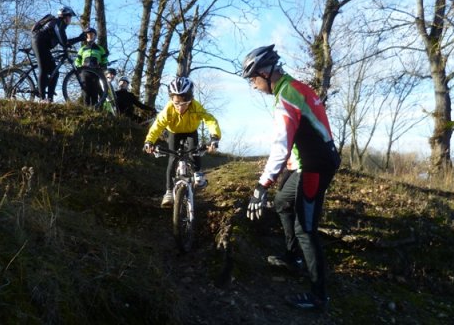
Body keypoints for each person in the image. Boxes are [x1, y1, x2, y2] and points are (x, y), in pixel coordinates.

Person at [242, 44, 341, 311]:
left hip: (314, 167)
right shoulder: (293, 88)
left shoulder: (287, 95)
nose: (252, 85)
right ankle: (291, 257)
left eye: (253, 79)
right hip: (307, 162)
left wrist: (262, 185)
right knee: (283, 203)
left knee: (305, 228)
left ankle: (319, 296)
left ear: (265, 72)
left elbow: (280, 145)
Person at [142, 77, 221, 207]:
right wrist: (149, 141)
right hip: (174, 132)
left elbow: (209, 120)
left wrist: (214, 137)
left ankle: (197, 174)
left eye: (184, 102)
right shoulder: (168, 109)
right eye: (176, 102)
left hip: (191, 131)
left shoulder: (195, 106)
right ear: (171, 99)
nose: (180, 106)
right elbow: (157, 126)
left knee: (194, 151)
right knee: (173, 158)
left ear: (190, 98)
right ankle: (168, 192)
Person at [31, 6, 86, 103]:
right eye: (70, 17)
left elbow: (64, 42)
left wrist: (77, 39)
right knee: (43, 69)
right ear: (65, 17)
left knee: (55, 73)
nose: (70, 20)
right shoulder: (57, 23)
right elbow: (64, 43)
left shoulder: (60, 26)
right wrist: (79, 38)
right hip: (39, 43)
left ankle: (50, 99)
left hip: (43, 46)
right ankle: (42, 98)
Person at [73, 27, 109, 106]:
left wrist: (103, 65)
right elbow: (77, 61)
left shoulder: (100, 49)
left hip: (96, 72)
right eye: (88, 34)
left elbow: (105, 60)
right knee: (86, 92)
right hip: (85, 72)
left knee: (94, 93)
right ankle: (86, 111)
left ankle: (94, 111)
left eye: (92, 34)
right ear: (86, 36)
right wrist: (79, 66)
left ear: (95, 36)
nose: (90, 36)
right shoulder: (82, 49)